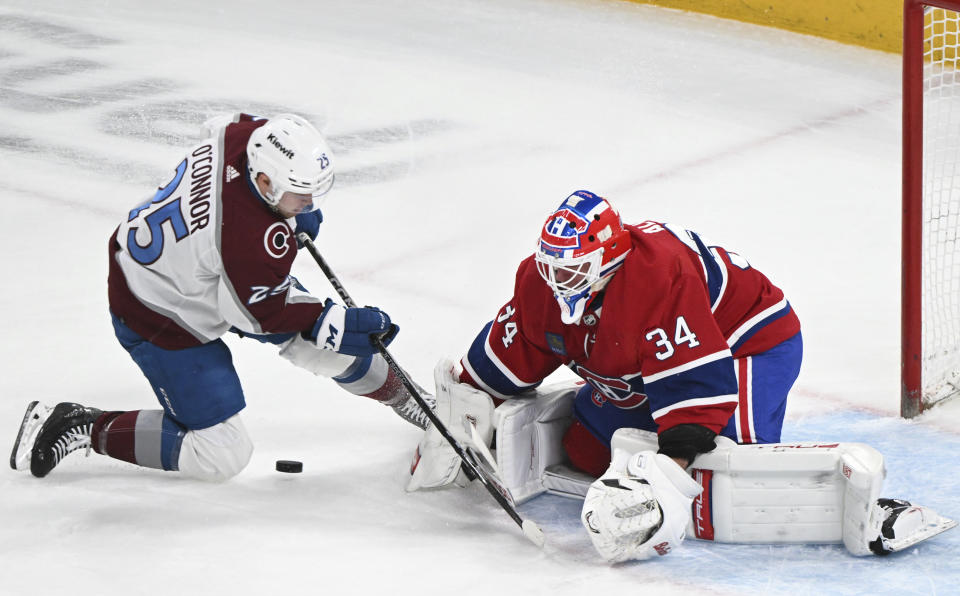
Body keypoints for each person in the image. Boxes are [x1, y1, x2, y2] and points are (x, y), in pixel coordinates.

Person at [406, 190, 955, 561]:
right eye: (550, 264)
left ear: (606, 257)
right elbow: (510, 351)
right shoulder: (539, 282)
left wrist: (666, 475)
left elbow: (695, 395)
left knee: (716, 477)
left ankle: (859, 505)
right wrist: (464, 408)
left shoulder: (655, 279)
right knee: (589, 453)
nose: (556, 278)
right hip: (647, 358)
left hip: (747, 342)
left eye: (570, 268)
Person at [10, 112, 433, 481]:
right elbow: (257, 314)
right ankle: (84, 425)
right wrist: (329, 322)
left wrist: (293, 216)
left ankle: (411, 402)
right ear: (265, 182)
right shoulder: (247, 240)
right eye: (301, 194)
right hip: (158, 313)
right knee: (221, 453)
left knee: (319, 344)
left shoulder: (248, 140)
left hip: (190, 267)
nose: (309, 204)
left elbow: (225, 126)